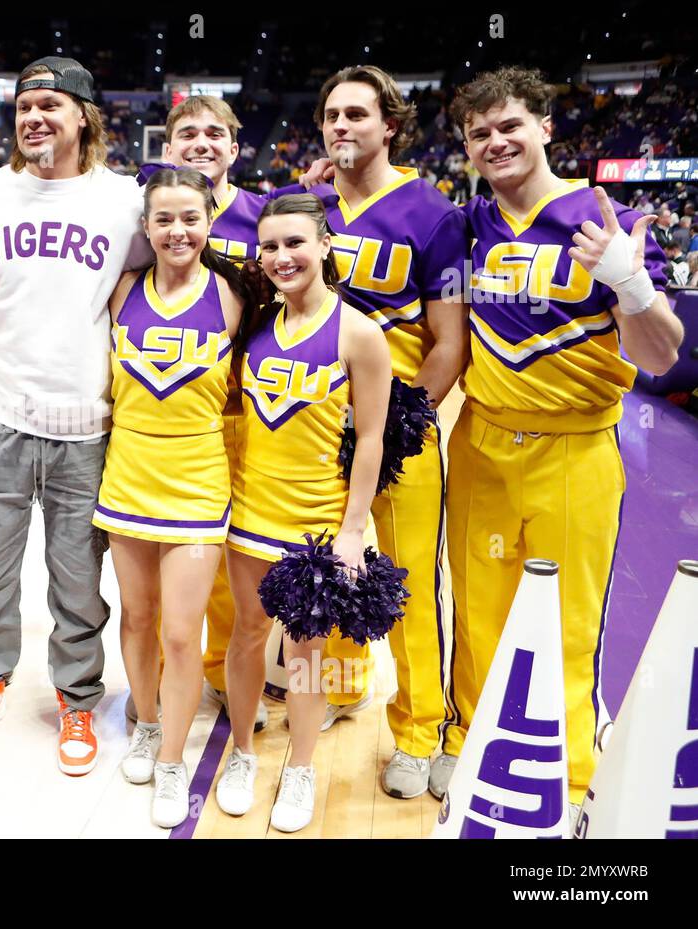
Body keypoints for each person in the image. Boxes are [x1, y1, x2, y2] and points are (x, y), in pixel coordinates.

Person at [439, 67, 680, 815]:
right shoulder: (465, 226)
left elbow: (664, 356)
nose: (494, 141)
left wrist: (631, 285)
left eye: (509, 125)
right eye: (479, 133)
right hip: (480, 442)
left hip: (575, 450)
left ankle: (571, 775)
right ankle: (465, 744)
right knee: (476, 614)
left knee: (571, 621)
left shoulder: (606, 216)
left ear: (546, 126)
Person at [0, 57, 151, 775]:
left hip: (85, 423)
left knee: (78, 580)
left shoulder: (125, 198)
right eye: (25, 106)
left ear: (84, 116)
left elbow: (148, 281)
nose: (34, 118)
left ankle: (78, 696)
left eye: (51, 105)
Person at [286, 65, 471, 798]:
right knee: (325, 569)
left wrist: (403, 420)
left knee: (406, 587)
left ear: (390, 124)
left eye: (357, 114)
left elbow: (449, 341)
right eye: (331, 114)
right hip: (310, 431)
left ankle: (423, 727)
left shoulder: (434, 213)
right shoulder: (309, 205)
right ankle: (338, 686)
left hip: (396, 435)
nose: (340, 126)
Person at [215, 193, 391, 832]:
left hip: (315, 525)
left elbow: (370, 438)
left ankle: (301, 766)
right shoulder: (254, 325)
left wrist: (351, 531)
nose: (282, 256)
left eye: (295, 242)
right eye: (270, 246)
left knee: (307, 655)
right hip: (248, 514)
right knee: (246, 635)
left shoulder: (359, 332)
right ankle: (240, 753)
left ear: (324, 246)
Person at [99, 167, 246, 827]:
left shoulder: (236, 295)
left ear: (210, 221)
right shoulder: (122, 288)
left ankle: (173, 763)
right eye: (164, 219)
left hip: (196, 479)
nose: (177, 230)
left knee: (182, 633)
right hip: (127, 473)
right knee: (135, 617)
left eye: (191, 218)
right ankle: (149, 721)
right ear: (146, 226)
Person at [144, 95, 270, 731]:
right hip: (172, 413)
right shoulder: (150, 207)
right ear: (167, 149)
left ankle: (241, 672)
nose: (201, 142)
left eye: (215, 133)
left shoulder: (263, 213)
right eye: (186, 133)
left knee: (240, 552)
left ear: (234, 147)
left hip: (252, 410)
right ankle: (194, 671)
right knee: (184, 559)